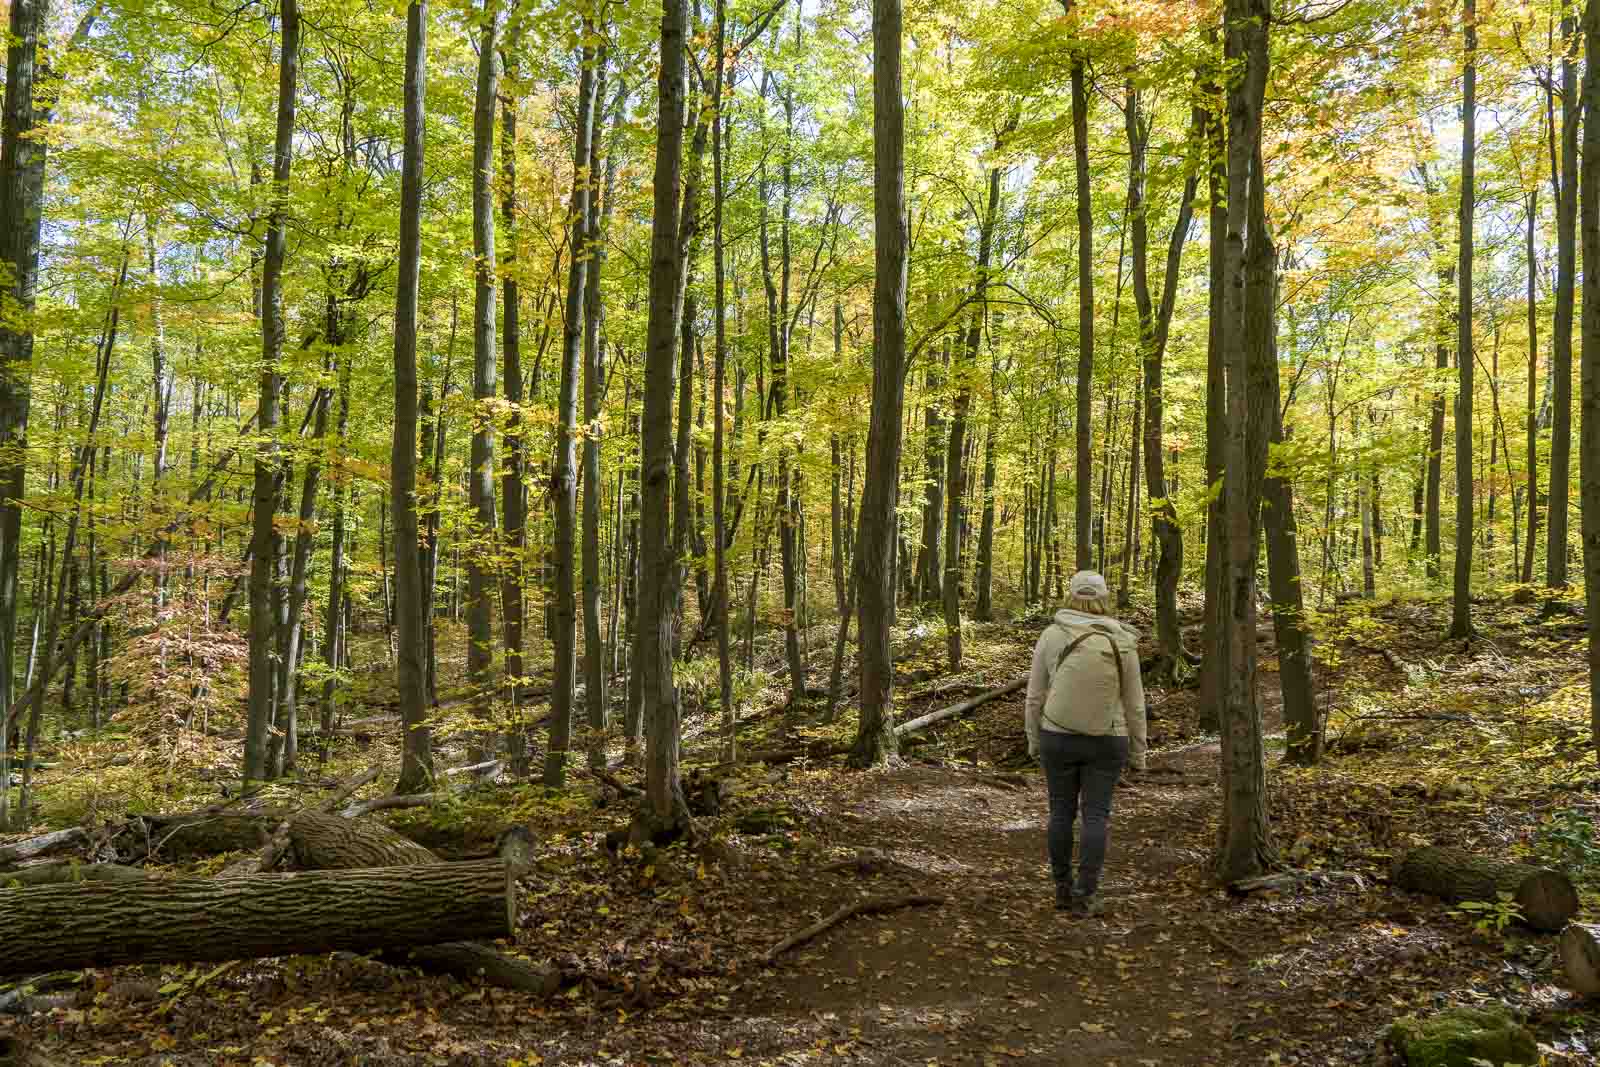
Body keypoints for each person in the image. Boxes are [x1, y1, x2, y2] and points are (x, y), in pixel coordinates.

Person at [1024, 569, 1147, 917]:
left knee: (1060, 813)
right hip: (1108, 740)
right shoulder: (1122, 639)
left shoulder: (1051, 635)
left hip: (1057, 737)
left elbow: (1034, 697)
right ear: (1104, 598)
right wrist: (1139, 752)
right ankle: (1086, 893)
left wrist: (1034, 740)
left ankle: (1061, 889)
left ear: (1070, 596)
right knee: (1096, 815)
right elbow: (1135, 704)